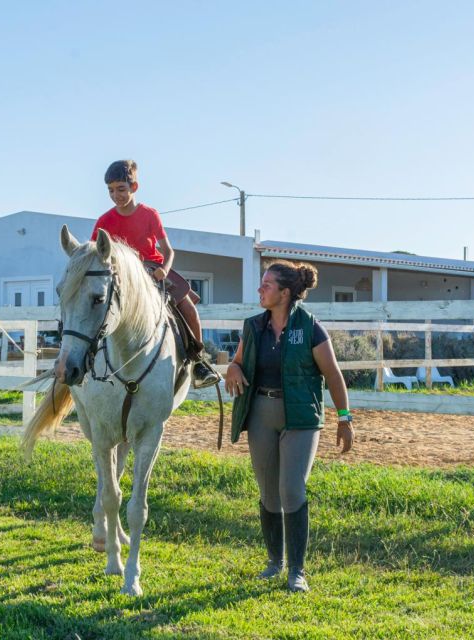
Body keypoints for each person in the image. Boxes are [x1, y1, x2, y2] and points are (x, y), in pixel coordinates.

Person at [225, 260, 354, 593]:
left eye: (266, 284)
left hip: (300, 418)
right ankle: (274, 562)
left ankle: (297, 570)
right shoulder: (254, 327)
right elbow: (237, 362)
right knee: (268, 493)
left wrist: (344, 418)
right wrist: (233, 370)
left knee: (291, 489)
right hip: (260, 415)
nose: (260, 289)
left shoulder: (310, 328)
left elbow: (333, 375)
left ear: (284, 292)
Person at [91, 159, 220, 388]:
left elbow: (168, 251)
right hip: (123, 276)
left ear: (134, 187)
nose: (115, 195)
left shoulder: (149, 214)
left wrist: (164, 270)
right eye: (110, 190)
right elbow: (94, 253)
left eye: (121, 189)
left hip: (153, 270)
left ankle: (200, 363)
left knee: (188, 307)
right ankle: (85, 359)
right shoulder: (104, 221)